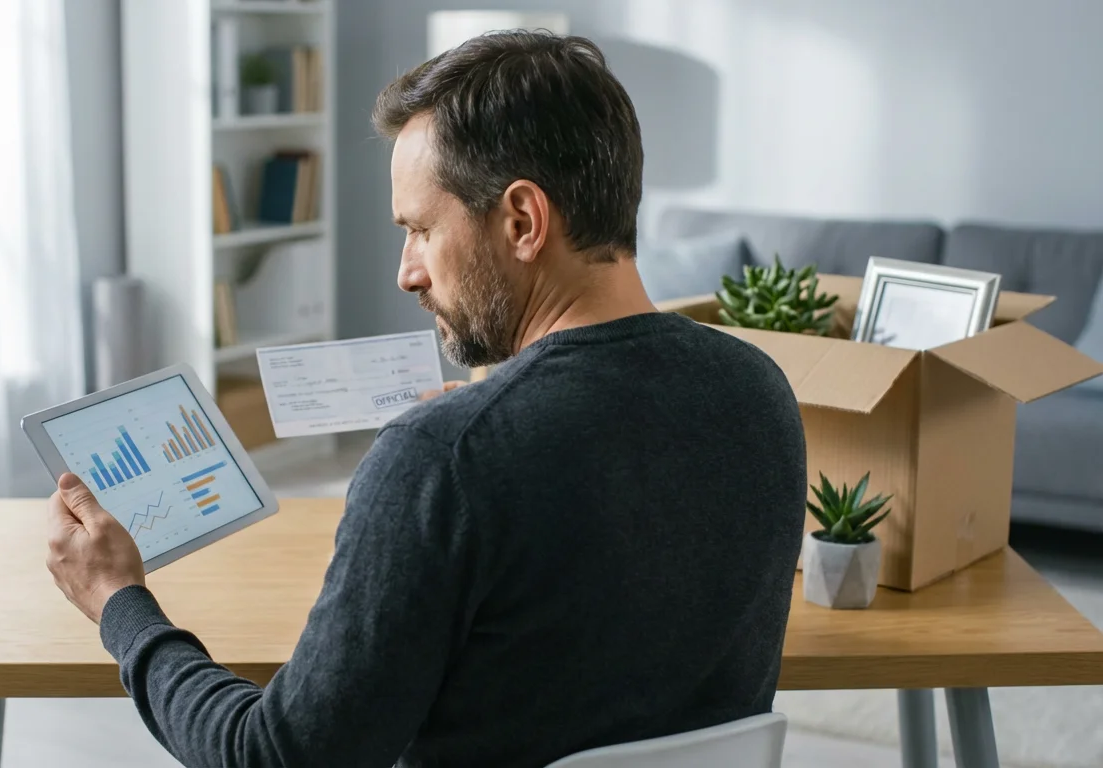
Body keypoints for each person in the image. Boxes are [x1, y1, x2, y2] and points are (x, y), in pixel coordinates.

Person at [46, 31, 807, 768]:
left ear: (522, 221)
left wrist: (120, 602)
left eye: (419, 230)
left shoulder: (446, 460)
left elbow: (276, 757)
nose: (407, 273)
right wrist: (471, 435)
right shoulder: (760, 392)